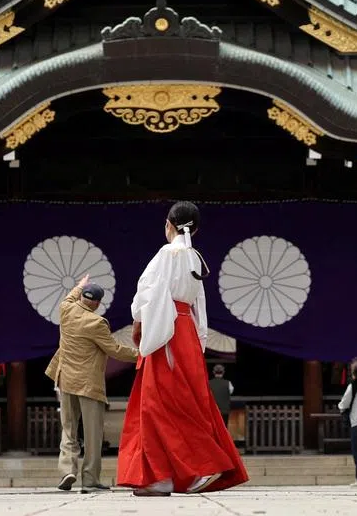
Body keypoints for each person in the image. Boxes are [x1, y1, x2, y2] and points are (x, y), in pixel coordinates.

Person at [117, 201, 249, 497]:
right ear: (196, 228)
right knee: (185, 399)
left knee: (157, 403)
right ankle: (168, 475)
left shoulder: (168, 253)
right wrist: (199, 337)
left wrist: (141, 322)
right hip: (186, 329)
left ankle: (196, 467)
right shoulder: (194, 256)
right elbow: (199, 302)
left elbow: (147, 292)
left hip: (167, 330)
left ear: (168, 224)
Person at [45, 276, 138, 494]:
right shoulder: (97, 323)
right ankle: (90, 479)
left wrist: (80, 284)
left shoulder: (65, 309)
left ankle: (67, 469)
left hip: (65, 380)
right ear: (96, 303)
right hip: (88, 384)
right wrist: (141, 355)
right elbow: (114, 350)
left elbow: (70, 297)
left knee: (68, 429)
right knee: (92, 434)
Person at [208, 364, 234, 429]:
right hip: (224, 411)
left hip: (212, 411)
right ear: (223, 372)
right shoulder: (228, 383)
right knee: (223, 429)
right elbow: (230, 392)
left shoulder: (208, 383)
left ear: (213, 372)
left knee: (213, 429)